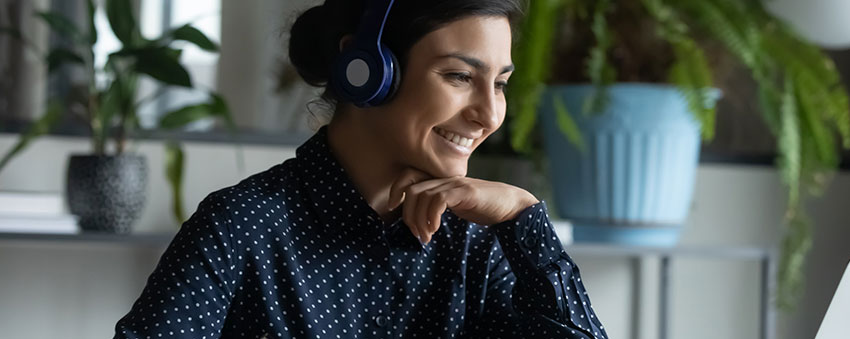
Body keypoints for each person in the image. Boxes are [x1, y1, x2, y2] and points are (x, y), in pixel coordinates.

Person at [112, 0, 610, 338]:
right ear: (366, 71)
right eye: (459, 76)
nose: (489, 114)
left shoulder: (480, 241)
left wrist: (524, 216)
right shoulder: (242, 227)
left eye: (499, 83)